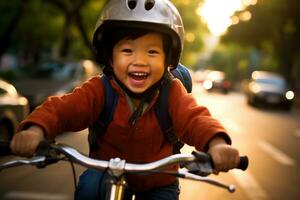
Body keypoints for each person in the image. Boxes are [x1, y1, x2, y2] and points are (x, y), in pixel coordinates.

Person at [10, 0, 240, 199]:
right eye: (127, 51)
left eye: (152, 52)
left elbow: (195, 117)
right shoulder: (99, 89)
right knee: (90, 188)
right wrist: (34, 130)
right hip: (106, 173)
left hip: (159, 180)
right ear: (109, 57)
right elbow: (62, 109)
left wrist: (217, 144)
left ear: (168, 59)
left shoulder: (172, 91)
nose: (139, 61)